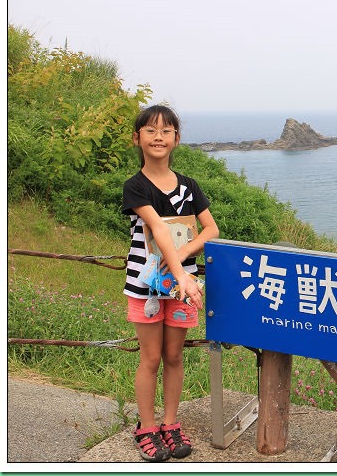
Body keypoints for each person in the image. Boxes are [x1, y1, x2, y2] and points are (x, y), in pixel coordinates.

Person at [122, 105, 219, 461]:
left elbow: (211, 229)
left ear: (177, 139)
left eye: (166, 131)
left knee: (174, 355)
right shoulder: (135, 187)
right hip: (146, 287)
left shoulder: (190, 186)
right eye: (150, 130)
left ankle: (170, 422)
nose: (158, 136)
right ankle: (146, 427)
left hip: (182, 287)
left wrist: (179, 259)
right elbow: (158, 227)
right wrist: (180, 272)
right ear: (137, 138)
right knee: (150, 357)